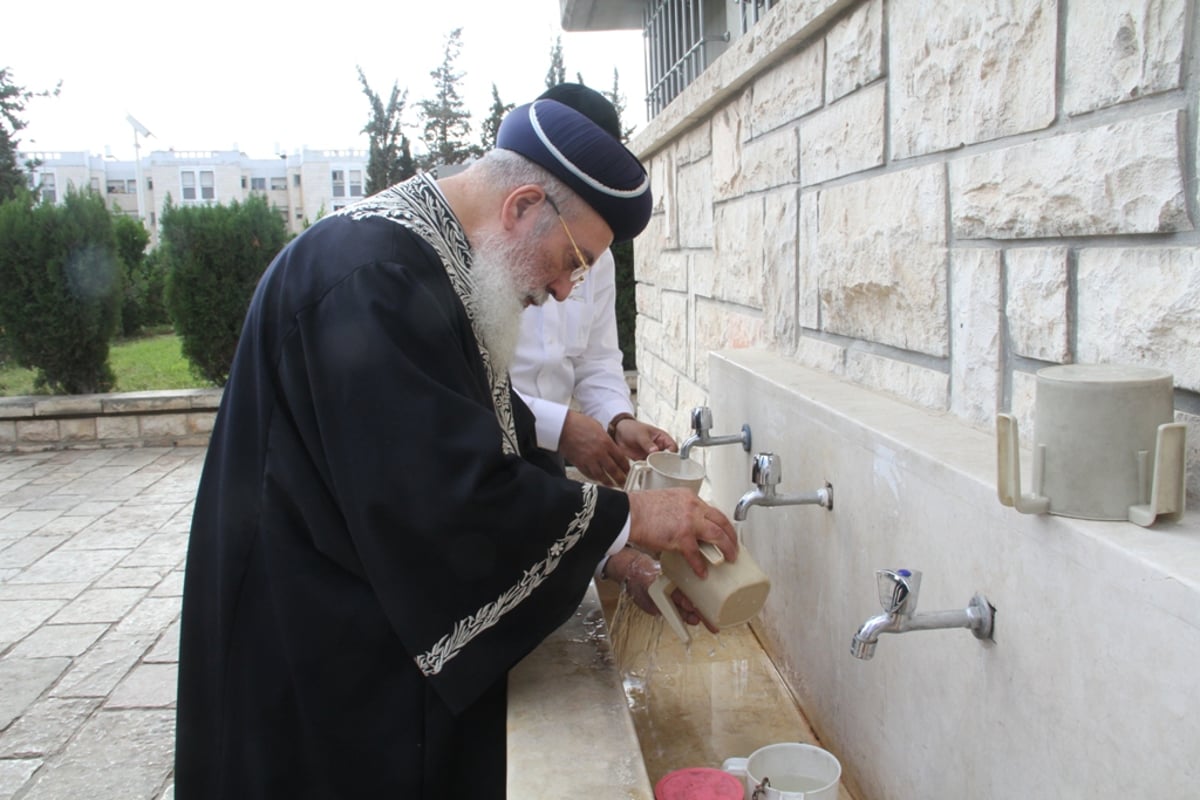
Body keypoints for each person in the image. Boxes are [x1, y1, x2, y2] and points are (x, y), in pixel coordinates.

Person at [173, 96, 738, 800]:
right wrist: (631, 516)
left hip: (347, 625)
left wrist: (612, 554)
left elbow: (484, 441)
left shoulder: (430, 260)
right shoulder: (373, 277)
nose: (564, 290)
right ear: (522, 205)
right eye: (571, 261)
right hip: (311, 657)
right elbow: (443, 503)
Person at [512, 84, 676, 489]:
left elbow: (596, 359)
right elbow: (464, 391)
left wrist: (618, 420)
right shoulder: (490, 248)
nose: (565, 288)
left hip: (547, 458)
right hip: (483, 456)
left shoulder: (595, 254)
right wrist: (562, 428)